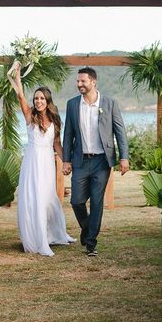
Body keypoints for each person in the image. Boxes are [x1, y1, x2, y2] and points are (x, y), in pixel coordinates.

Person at [62, 67, 129, 256]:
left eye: (83, 81)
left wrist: (124, 157)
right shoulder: (72, 104)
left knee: (97, 202)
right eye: (77, 81)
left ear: (93, 82)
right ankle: (87, 229)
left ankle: (91, 243)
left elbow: (120, 132)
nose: (79, 84)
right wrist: (66, 160)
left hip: (102, 161)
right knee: (76, 201)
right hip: (80, 161)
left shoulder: (109, 103)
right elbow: (68, 134)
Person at [8, 64, 74, 256]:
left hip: (47, 163)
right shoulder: (30, 116)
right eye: (36, 98)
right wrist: (18, 77)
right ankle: (37, 239)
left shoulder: (54, 120)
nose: (38, 101)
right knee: (33, 198)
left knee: (47, 198)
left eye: (41, 98)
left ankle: (53, 233)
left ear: (47, 101)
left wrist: (66, 162)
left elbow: (57, 145)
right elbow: (20, 96)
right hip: (32, 162)